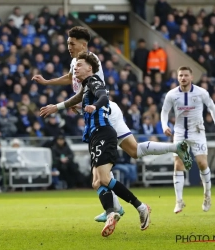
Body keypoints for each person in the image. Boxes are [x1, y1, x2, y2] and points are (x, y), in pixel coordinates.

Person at [32, 26, 192, 223]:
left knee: (101, 174)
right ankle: (175, 148)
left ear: (84, 44)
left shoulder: (91, 61)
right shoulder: (77, 63)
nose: (68, 47)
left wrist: (61, 106)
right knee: (131, 152)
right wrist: (48, 82)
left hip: (103, 115)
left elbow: (89, 92)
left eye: (72, 43)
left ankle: (119, 207)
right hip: (102, 114)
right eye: (67, 43)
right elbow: (70, 79)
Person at [40, 52, 151, 236]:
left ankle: (140, 207)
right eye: (75, 65)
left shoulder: (94, 81)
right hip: (94, 136)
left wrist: (95, 106)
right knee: (96, 181)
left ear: (89, 68)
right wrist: (56, 107)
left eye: (79, 65)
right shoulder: (85, 87)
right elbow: (75, 99)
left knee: (105, 179)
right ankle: (111, 213)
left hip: (103, 133)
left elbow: (103, 97)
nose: (75, 67)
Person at [161, 66, 214, 213]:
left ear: (191, 77)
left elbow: (211, 107)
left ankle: (207, 195)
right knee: (178, 165)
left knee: (202, 163)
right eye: (180, 76)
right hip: (179, 133)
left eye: (185, 75)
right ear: (177, 78)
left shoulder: (201, 92)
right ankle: (179, 201)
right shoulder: (171, 94)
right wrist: (164, 126)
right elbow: (164, 111)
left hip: (197, 131)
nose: (183, 78)